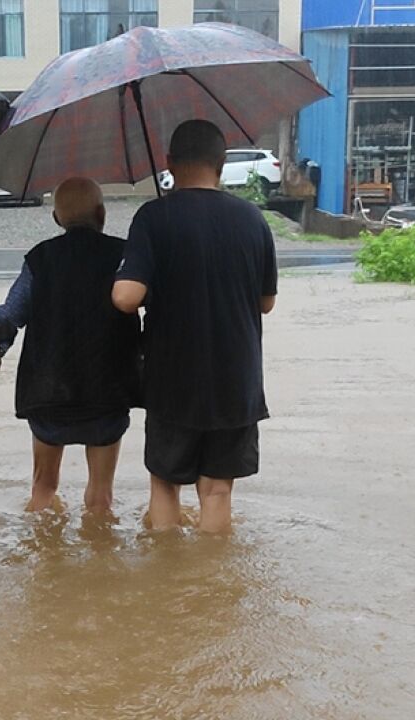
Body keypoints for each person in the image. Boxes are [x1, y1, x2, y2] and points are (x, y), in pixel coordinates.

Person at [112, 119, 277, 534]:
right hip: (236, 379)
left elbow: (125, 298)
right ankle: (213, 591)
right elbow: (266, 302)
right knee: (218, 491)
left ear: (169, 162)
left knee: (166, 486)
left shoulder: (154, 217)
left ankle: (171, 587)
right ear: (222, 163)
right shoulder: (252, 219)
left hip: (173, 380)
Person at [0, 178, 142, 514]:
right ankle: (100, 562)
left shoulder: (40, 259)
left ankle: (43, 560)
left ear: (56, 219)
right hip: (107, 392)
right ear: (102, 213)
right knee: (100, 499)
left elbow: (10, 315)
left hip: (47, 392)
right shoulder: (125, 257)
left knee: (43, 489)